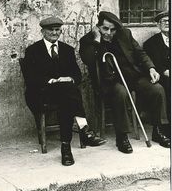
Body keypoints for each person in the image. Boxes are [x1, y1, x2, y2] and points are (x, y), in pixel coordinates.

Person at [79, 11, 170, 153]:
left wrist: (151, 68)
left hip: (133, 77)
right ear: (98, 27)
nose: (109, 33)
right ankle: (122, 137)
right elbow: (89, 59)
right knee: (121, 93)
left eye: (113, 29)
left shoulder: (124, 34)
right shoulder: (88, 40)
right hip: (109, 81)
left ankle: (158, 131)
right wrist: (97, 39)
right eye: (105, 29)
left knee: (157, 89)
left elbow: (140, 53)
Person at [23, 17, 106, 166]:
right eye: (51, 30)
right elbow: (31, 78)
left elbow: (77, 75)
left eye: (57, 30)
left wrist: (68, 78)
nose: (54, 33)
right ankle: (84, 129)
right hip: (41, 93)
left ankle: (66, 147)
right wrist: (52, 81)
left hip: (64, 94)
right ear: (42, 32)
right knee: (69, 94)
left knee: (66, 97)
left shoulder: (67, 50)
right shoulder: (33, 51)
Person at [143, 11, 170, 126]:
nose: (168, 23)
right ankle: (167, 124)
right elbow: (155, 63)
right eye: (164, 21)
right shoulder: (151, 43)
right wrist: (166, 71)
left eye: (170, 21)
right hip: (162, 76)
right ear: (158, 25)